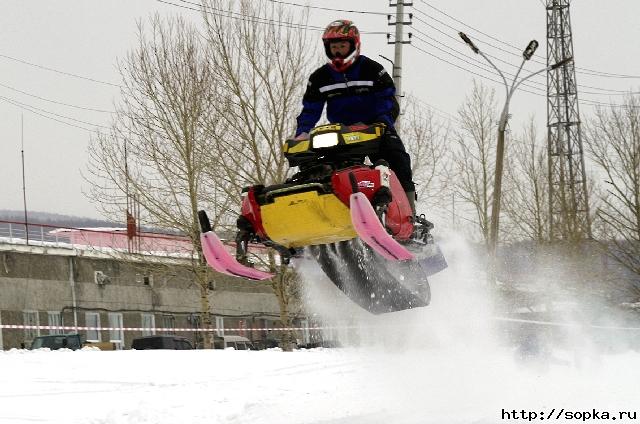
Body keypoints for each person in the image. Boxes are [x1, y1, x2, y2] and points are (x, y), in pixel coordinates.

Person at [294, 19, 416, 214]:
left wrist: (382, 122)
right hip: (342, 133)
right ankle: (324, 210)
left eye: (342, 46)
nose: (338, 51)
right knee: (317, 166)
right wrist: (302, 133)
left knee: (397, 159)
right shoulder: (319, 77)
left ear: (354, 45)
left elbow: (387, 99)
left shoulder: (373, 69)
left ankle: (409, 214)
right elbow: (310, 109)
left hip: (376, 128)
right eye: (334, 47)